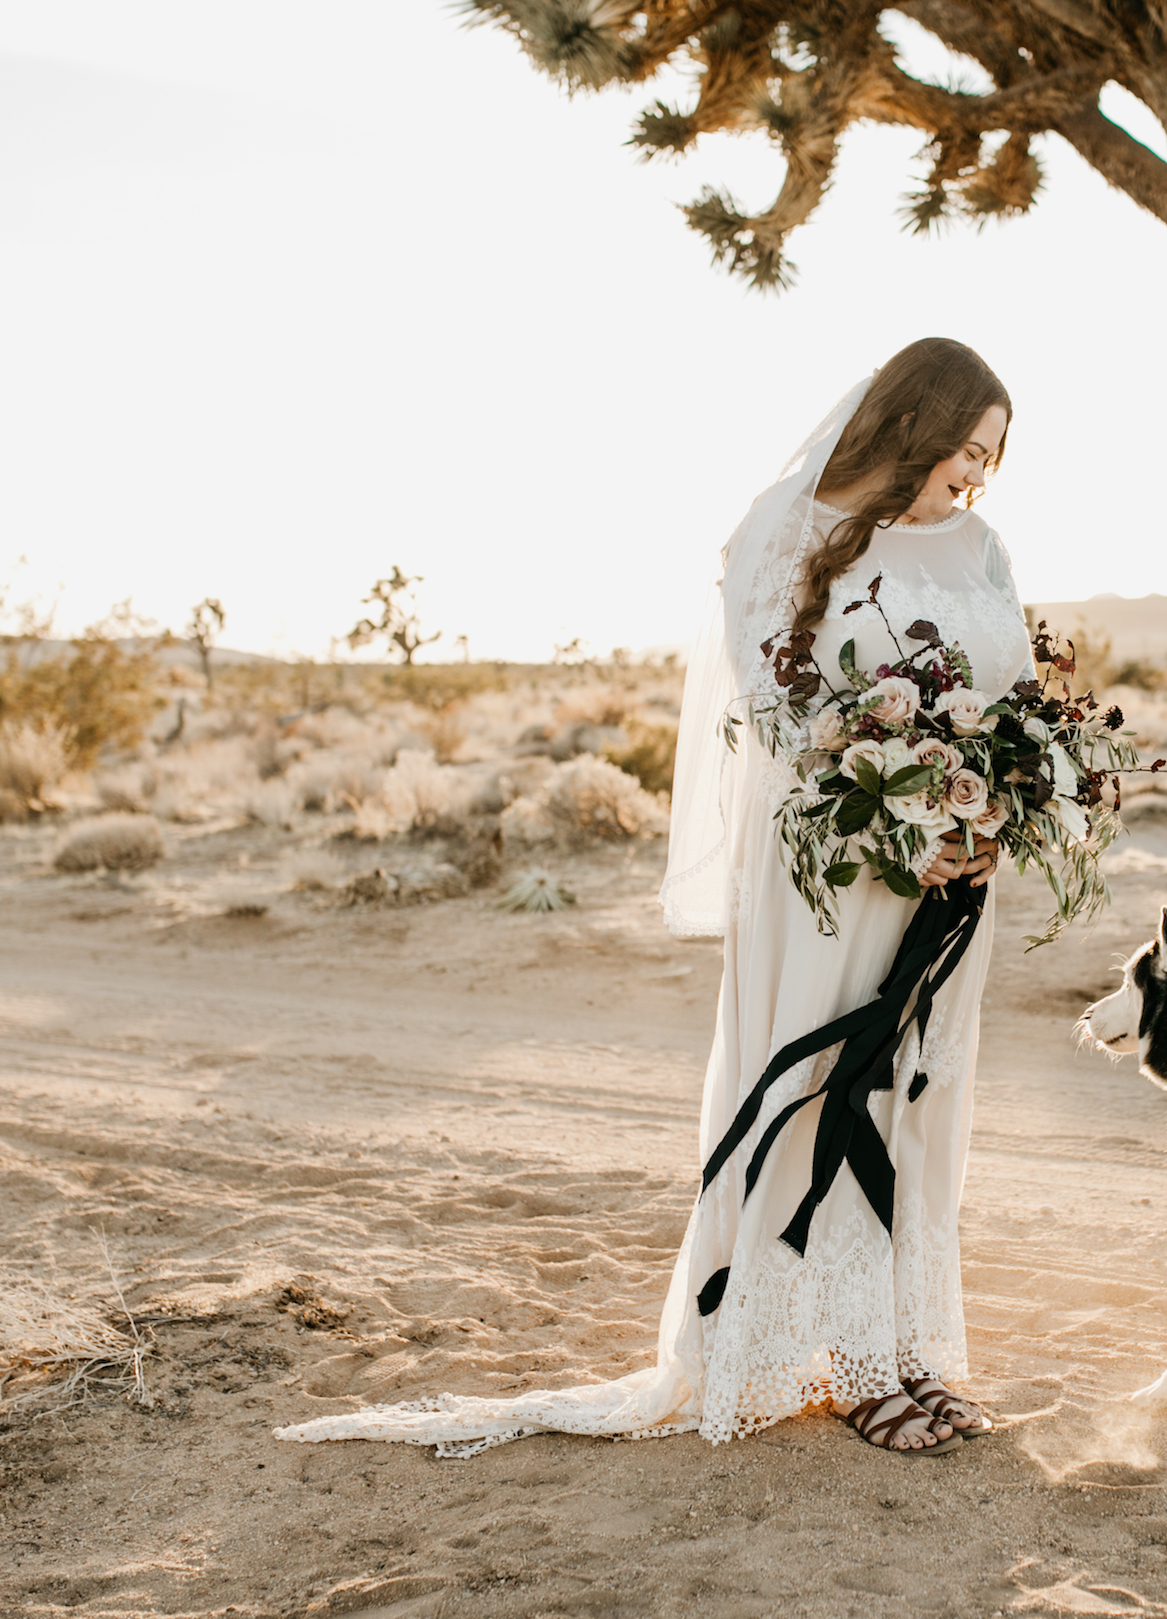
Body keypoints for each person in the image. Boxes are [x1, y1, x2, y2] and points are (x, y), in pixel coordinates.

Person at [277, 339, 1027, 1458]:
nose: (978, 476)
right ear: (917, 425)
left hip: (953, 872)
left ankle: (904, 1344)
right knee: (818, 1084)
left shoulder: (982, 548)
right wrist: (891, 805)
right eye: (968, 449)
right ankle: (835, 1358)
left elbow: (1016, 702)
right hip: (834, 865)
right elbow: (773, 713)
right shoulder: (787, 524)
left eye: (995, 458)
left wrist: (991, 810)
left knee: (917, 1093)